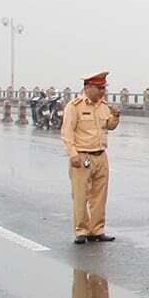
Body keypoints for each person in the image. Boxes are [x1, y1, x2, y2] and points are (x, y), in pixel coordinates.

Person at [61, 71, 120, 244]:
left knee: (99, 195)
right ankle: (81, 231)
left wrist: (116, 116)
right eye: (99, 88)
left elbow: (109, 126)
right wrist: (72, 154)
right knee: (81, 195)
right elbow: (67, 132)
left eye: (104, 88)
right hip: (82, 155)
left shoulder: (103, 106)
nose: (102, 92)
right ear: (88, 87)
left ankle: (97, 229)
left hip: (100, 154)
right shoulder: (75, 106)